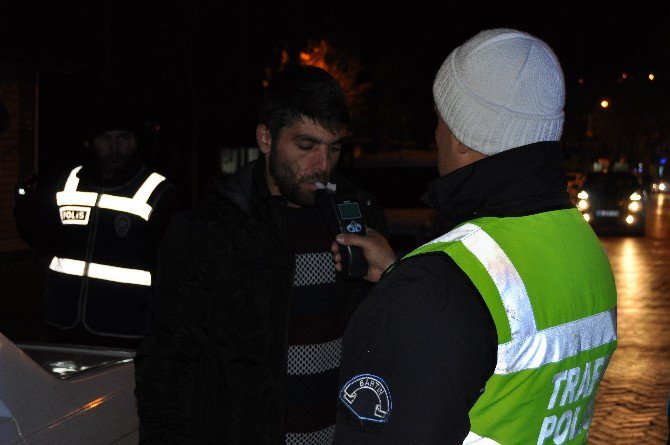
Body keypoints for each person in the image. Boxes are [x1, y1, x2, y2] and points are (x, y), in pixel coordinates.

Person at [333, 29, 618, 444]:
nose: (436, 135)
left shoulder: (430, 291)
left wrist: (412, 288)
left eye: (441, 119)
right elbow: (502, 356)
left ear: (464, 137)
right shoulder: (585, 248)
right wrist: (403, 272)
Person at [134, 65, 387, 444]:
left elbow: (386, 349)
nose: (322, 166)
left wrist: (393, 277)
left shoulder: (360, 221)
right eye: (306, 146)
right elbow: (167, 369)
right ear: (266, 138)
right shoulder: (208, 231)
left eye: (333, 148)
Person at [14, 110, 179, 348]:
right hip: (63, 325)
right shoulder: (68, 183)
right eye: (105, 138)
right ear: (92, 142)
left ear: (135, 142)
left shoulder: (158, 191)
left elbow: (173, 262)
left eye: (122, 138)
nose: (114, 149)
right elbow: (42, 238)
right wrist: (24, 207)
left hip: (127, 330)